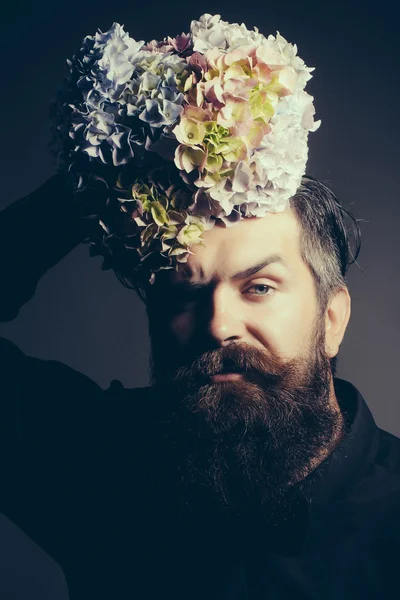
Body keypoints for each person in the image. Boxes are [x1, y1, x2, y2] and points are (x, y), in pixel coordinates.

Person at [1, 13, 400, 600]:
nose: (216, 323)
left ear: (332, 319)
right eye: (185, 292)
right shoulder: (93, 465)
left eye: (259, 287)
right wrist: (100, 177)